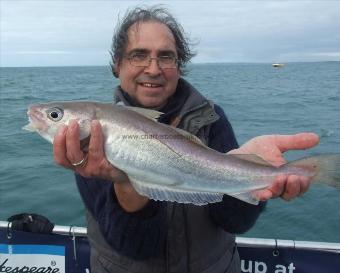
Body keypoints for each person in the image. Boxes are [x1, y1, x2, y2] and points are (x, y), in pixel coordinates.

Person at [53, 6, 319, 273]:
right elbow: (136, 248)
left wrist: (259, 177)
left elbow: (235, 222)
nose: (154, 68)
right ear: (117, 65)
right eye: (139, 55)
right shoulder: (91, 142)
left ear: (179, 66)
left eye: (166, 57)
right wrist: (126, 184)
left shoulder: (212, 120)